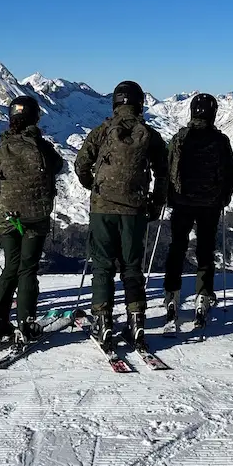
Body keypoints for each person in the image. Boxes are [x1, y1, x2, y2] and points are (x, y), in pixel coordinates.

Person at [74, 80, 169, 350]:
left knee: (103, 265)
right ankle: (136, 323)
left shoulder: (102, 131)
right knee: (132, 266)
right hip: (135, 209)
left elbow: (81, 164)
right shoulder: (150, 134)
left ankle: (103, 322)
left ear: (115, 103)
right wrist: (155, 204)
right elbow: (163, 173)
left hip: (102, 208)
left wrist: (92, 186)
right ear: (140, 104)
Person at [0, 95, 65, 344]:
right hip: (35, 217)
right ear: (35, 117)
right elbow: (58, 165)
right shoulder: (41, 146)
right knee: (28, 269)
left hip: (8, 218)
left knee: (11, 267)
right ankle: (26, 323)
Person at [162, 93, 233, 328]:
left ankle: (172, 294)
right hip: (210, 204)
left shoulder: (179, 138)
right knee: (205, 249)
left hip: (182, 202)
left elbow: (166, 169)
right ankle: (203, 295)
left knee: (177, 246)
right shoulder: (220, 140)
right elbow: (231, 173)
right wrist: (223, 197)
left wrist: (167, 196)